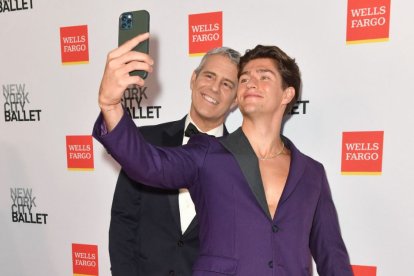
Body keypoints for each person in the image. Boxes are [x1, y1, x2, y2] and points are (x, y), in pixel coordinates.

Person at [94, 33, 353, 275]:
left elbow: (331, 254)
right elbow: (148, 164)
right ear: (239, 96)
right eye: (244, 78)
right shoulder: (208, 153)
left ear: (287, 94)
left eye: (264, 76)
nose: (251, 81)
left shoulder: (311, 173)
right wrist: (110, 105)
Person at [101, 33, 240, 276]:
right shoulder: (145, 142)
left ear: (236, 99)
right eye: (209, 76)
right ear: (193, 79)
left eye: (227, 84)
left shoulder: (241, 161)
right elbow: (123, 220)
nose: (214, 88)